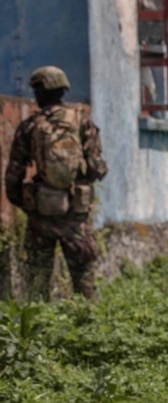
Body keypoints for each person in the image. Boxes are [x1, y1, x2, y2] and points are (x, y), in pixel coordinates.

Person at [4, 66, 108, 301]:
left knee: (37, 280)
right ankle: (89, 326)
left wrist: (28, 203)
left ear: (41, 91)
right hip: (75, 215)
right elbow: (96, 167)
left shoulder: (29, 126)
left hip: (40, 213)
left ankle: (37, 330)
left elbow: (13, 177)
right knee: (84, 281)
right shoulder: (82, 122)